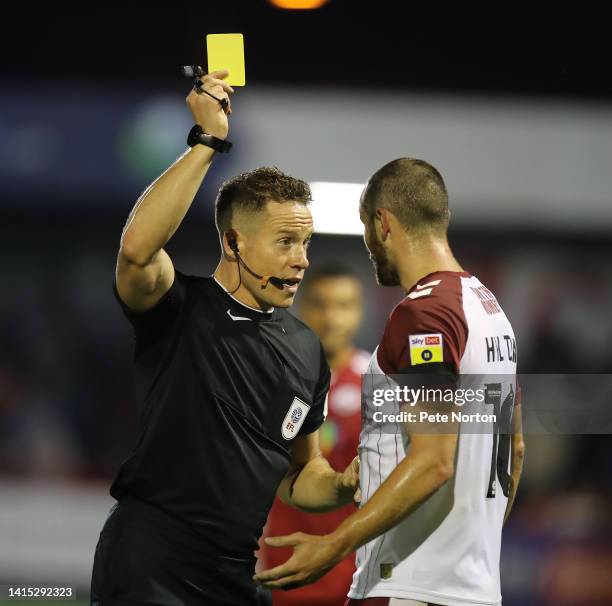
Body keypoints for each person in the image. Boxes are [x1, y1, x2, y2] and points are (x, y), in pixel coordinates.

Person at [90, 70, 359, 606]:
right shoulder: (178, 307)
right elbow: (137, 252)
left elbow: (300, 475)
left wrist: (346, 484)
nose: (301, 260)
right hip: (150, 564)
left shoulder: (307, 349)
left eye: (305, 242)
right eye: (286, 242)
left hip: (236, 575)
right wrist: (207, 141)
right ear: (235, 241)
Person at [255, 158, 525, 606]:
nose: (367, 244)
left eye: (365, 227)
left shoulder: (422, 314)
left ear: (383, 223)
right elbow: (515, 449)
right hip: (474, 590)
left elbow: (434, 461)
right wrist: (473, 551)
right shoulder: (491, 312)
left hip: (408, 588)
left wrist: (333, 545)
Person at [263, 265, 370, 606]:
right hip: (285, 568)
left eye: (343, 305)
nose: (331, 317)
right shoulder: (271, 381)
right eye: (321, 304)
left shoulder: (378, 385)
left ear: (359, 312)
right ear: (302, 307)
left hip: (356, 574)